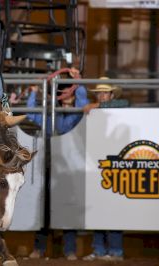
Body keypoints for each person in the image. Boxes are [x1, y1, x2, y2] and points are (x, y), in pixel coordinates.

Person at [27, 68, 89, 261]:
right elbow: (31, 114)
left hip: (67, 168)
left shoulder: (74, 117)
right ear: (61, 99)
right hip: (50, 166)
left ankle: (68, 250)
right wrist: (34, 92)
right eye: (66, 95)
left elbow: (82, 105)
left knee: (67, 208)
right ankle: (40, 249)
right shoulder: (52, 117)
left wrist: (77, 83)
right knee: (45, 210)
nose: (68, 98)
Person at [82, 77, 128, 262]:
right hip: (98, 163)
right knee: (98, 207)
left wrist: (97, 107)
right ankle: (100, 249)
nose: (101, 96)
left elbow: (124, 103)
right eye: (99, 93)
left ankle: (115, 250)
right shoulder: (96, 111)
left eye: (104, 93)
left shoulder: (116, 108)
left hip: (114, 163)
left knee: (112, 206)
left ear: (111, 95)